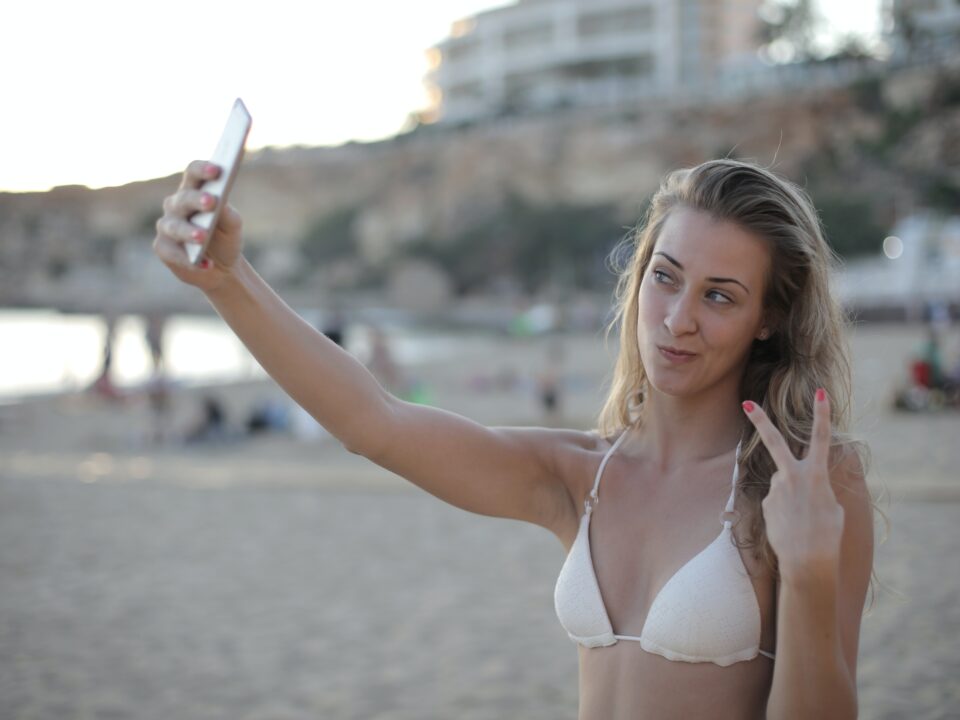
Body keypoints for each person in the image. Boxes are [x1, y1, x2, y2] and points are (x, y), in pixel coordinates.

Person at [154, 158, 876, 718]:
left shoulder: (804, 486)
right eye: (666, 277)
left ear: (769, 319)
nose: (677, 318)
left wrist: (809, 571)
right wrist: (227, 280)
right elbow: (373, 421)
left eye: (720, 295)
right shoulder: (577, 476)